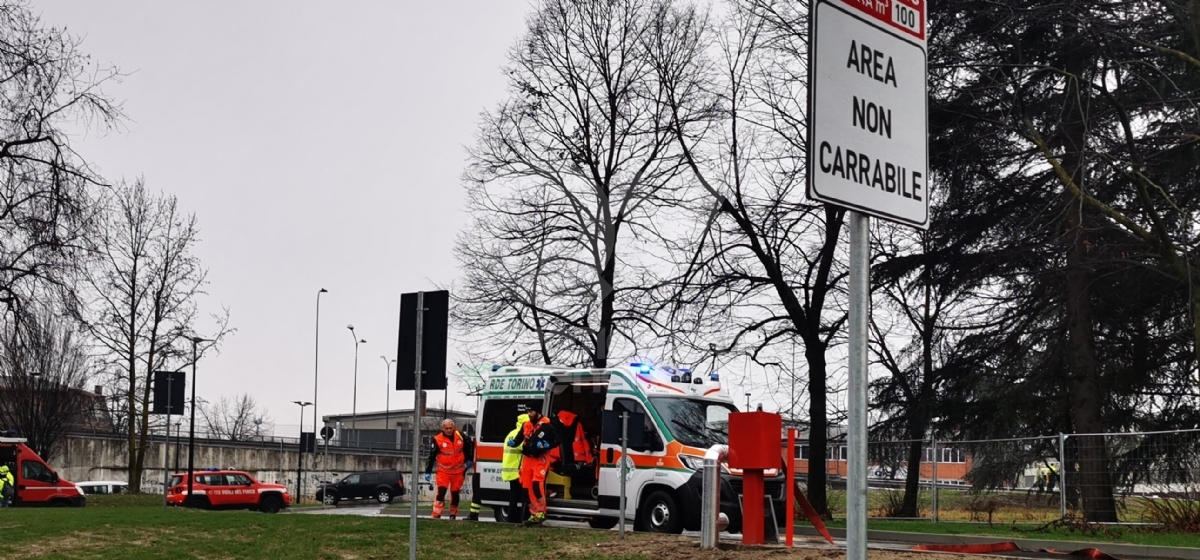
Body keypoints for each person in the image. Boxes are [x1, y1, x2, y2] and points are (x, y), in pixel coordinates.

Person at [423, 419, 474, 520]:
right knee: (441, 492)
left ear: (453, 427)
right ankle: (436, 514)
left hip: (458, 471)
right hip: (443, 471)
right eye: (447, 428)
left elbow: (470, 445)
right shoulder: (437, 439)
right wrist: (428, 471)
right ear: (442, 429)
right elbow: (432, 456)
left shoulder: (460, 435)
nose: (449, 430)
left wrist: (469, 458)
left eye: (451, 428)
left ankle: (453, 514)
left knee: (455, 494)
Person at [519, 407, 558, 525]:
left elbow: (557, 439)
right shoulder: (526, 425)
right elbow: (519, 439)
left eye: (531, 411)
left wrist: (547, 445)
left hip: (540, 458)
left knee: (536, 484)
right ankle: (534, 513)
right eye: (528, 411)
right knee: (526, 489)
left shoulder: (547, 424)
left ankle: (541, 511)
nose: (529, 413)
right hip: (528, 458)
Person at [503, 412, 529, 523]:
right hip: (517, 470)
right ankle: (519, 519)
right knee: (523, 497)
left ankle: (512, 519)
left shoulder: (511, 433)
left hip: (510, 469)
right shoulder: (521, 434)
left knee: (514, 496)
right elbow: (524, 448)